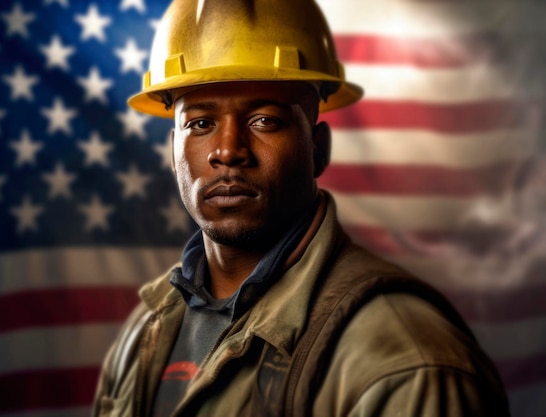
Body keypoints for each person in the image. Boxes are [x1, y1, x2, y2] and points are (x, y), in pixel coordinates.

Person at [92, 0, 511, 416]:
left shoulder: (405, 359)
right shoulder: (147, 328)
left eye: (264, 120)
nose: (228, 151)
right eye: (200, 123)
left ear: (317, 148)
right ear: (173, 154)